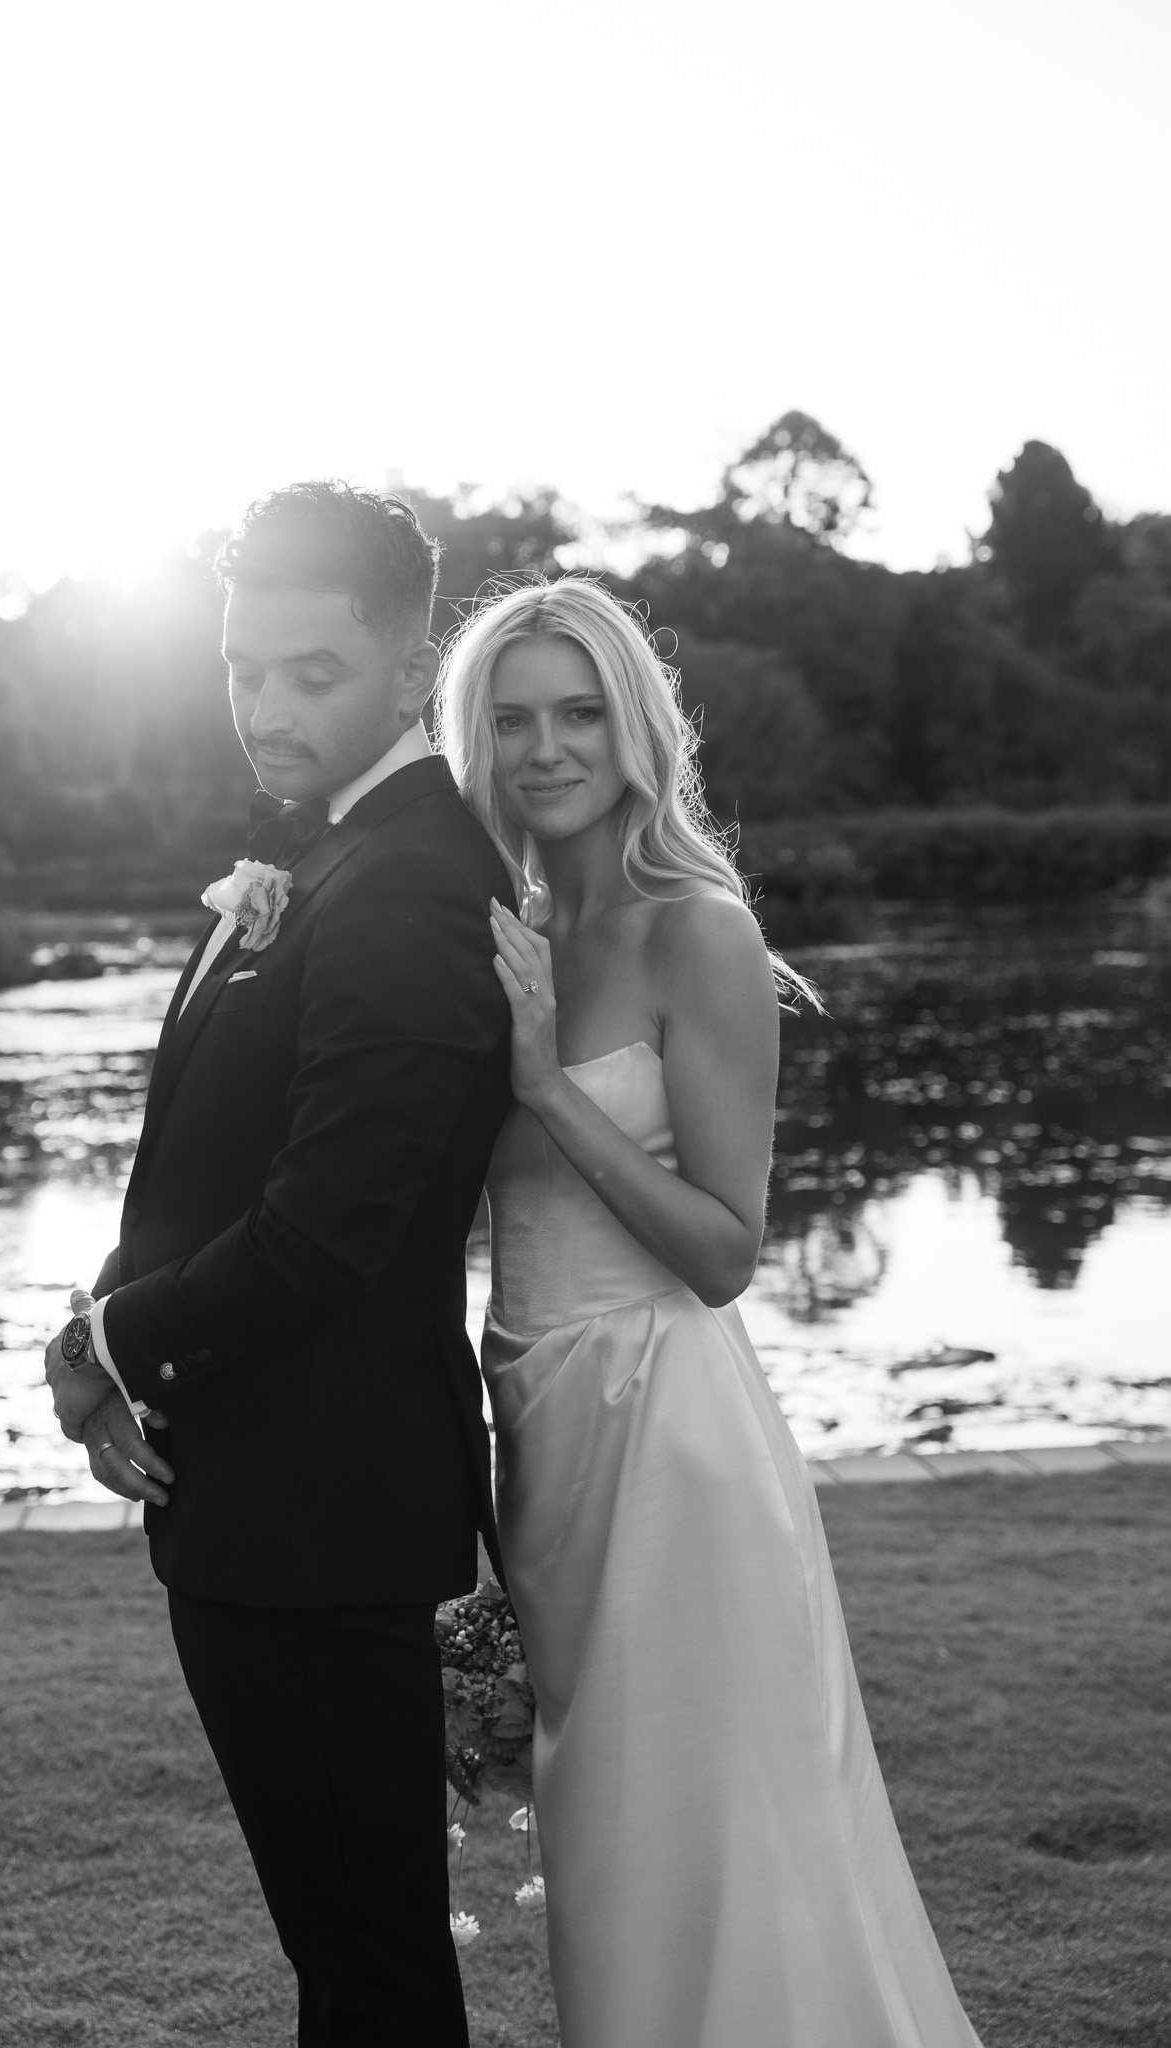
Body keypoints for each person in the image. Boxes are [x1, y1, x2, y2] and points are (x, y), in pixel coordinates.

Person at [438, 575, 984, 2048]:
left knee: (714, 1842)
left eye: (576, 712)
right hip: (538, 1429)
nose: (544, 747)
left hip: (671, 1438)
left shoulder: (701, 931)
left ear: (634, 728)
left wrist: (548, 1084)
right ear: (470, 741)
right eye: (509, 718)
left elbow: (725, 1250)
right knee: (606, 1850)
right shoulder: (506, 930)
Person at [43, 482, 514, 2047]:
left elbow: (324, 1232)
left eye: (310, 674)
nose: (264, 706)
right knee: (346, 1951)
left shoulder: (409, 885)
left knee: (370, 1961)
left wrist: (111, 1347)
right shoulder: (317, 856)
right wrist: (108, 1331)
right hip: (261, 1494)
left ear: (402, 665)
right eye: (243, 668)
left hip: (322, 1516)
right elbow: (206, 1172)